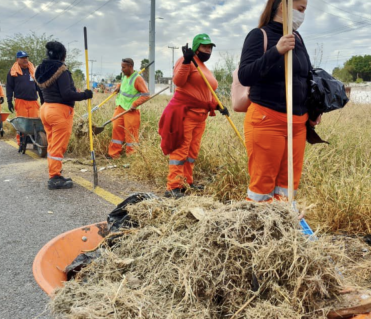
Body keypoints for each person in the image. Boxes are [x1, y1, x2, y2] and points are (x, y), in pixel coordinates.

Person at [238, 0, 320, 203]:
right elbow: (245, 76)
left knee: (288, 184)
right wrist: (277, 51)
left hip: (298, 124)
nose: (302, 15)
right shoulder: (259, 35)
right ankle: (259, 227)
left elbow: (305, 78)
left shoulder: (297, 38)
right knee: (262, 186)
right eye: (300, 9)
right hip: (267, 120)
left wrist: (313, 110)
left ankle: (283, 224)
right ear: (283, 6)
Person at [158, 34, 224, 198]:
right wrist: (187, 61)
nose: (208, 50)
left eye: (210, 47)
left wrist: (217, 105)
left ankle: (187, 182)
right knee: (181, 150)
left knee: (192, 152)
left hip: (200, 116)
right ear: (196, 47)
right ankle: (173, 187)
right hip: (186, 114)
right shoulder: (187, 60)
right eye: (204, 46)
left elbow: (205, 91)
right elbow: (179, 82)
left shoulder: (203, 66)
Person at [35, 41, 93, 190]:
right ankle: (54, 177)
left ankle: (55, 172)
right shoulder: (62, 71)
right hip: (59, 111)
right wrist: (85, 95)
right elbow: (67, 94)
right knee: (58, 146)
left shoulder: (40, 69)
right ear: (62, 55)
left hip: (45, 109)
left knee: (52, 144)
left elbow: (41, 92)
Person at [107, 58, 150, 159]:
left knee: (131, 134)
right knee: (116, 128)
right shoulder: (124, 75)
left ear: (130, 67)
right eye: (121, 67)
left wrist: (134, 104)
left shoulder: (138, 79)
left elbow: (146, 95)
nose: (122, 69)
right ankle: (114, 154)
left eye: (124, 67)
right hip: (121, 107)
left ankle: (132, 156)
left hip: (131, 110)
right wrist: (118, 86)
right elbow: (124, 83)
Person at [7, 51, 43, 144]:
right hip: (20, 101)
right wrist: (9, 100)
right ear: (17, 59)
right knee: (22, 124)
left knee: (36, 122)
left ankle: (37, 141)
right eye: (22, 58)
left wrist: (43, 98)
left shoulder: (33, 70)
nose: (25, 60)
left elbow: (39, 86)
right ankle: (21, 142)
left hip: (33, 101)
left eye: (26, 57)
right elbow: (9, 87)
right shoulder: (13, 71)